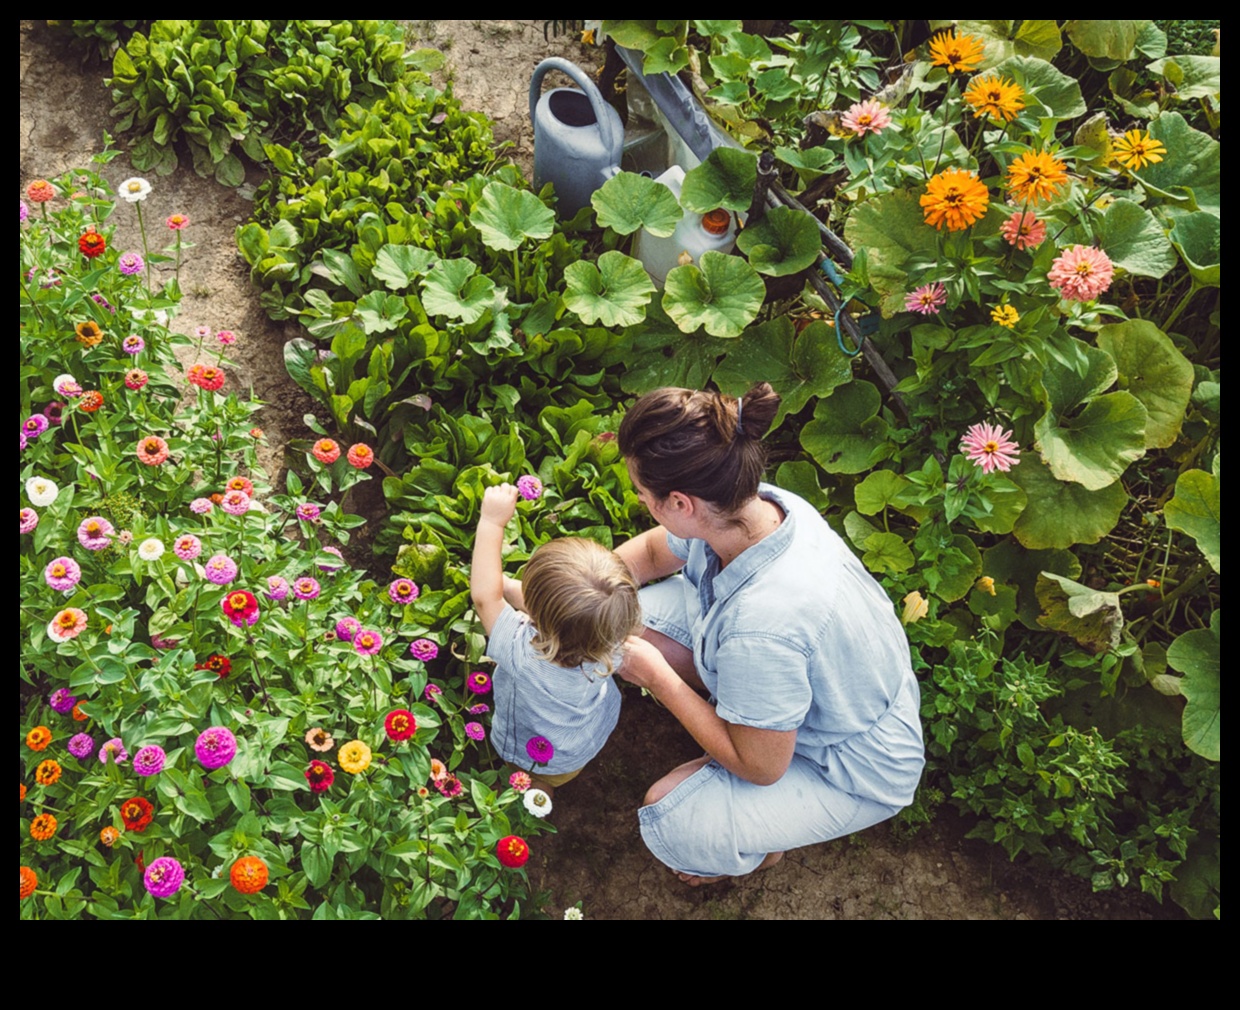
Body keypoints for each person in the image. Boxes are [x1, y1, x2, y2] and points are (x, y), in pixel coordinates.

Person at [614, 383, 925, 884]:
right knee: (626, 618)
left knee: (675, 820)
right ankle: (744, 726)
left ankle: (758, 848)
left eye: (643, 495)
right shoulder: (755, 507)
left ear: (679, 503)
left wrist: (657, 678)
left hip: (852, 765)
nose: (640, 500)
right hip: (825, 688)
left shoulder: (763, 627)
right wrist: (588, 585)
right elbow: (651, 555)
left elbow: (760, 767)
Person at [470, 483, 641, 790]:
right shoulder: (612, 640)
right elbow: (565, 619)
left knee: (529, 781)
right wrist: (509, 588)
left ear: (537, 615)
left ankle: (530, 806)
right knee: (552, 775)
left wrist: (492, 522)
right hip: (582, 741)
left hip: (535, 752)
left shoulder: (522, 653)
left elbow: (484, 597)